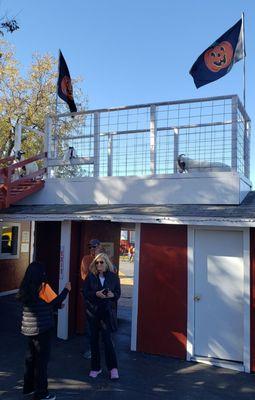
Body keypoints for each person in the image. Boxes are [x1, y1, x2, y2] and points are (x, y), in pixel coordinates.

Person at [17, 261, 71, 400]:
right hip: (42, 329)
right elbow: (55, 302)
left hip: (28, 329)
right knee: (42, 362)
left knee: (30, 359)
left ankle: (28, 388)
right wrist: (66, 290)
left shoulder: (25, 287)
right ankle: (41, 393)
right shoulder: (43, 287)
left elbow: (41, 304)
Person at [83, 252, 121, 380]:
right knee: (93, 341)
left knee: (107, 341)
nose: (98, 264)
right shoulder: (90, 277)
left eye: (101, 262)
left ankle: (113, 368)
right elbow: (85, 293)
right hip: (93, 313)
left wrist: (112, 296)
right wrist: (96, 294)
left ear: (106, 263)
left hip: (106, 313)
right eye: (96, 262)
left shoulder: (113, 277)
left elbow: (118, 293)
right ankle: (95, 367)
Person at [80, 238, 102, 358]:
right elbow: (85, 275)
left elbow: (111, 273)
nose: (92, 249)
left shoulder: (104, 258)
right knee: (90, 323)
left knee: (104, 322)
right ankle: (90, 349)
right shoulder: (86, 259)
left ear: (100, 247)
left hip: (103, 297)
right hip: (91, 296)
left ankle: (103, 346)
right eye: (90, 247)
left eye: (94, 246)